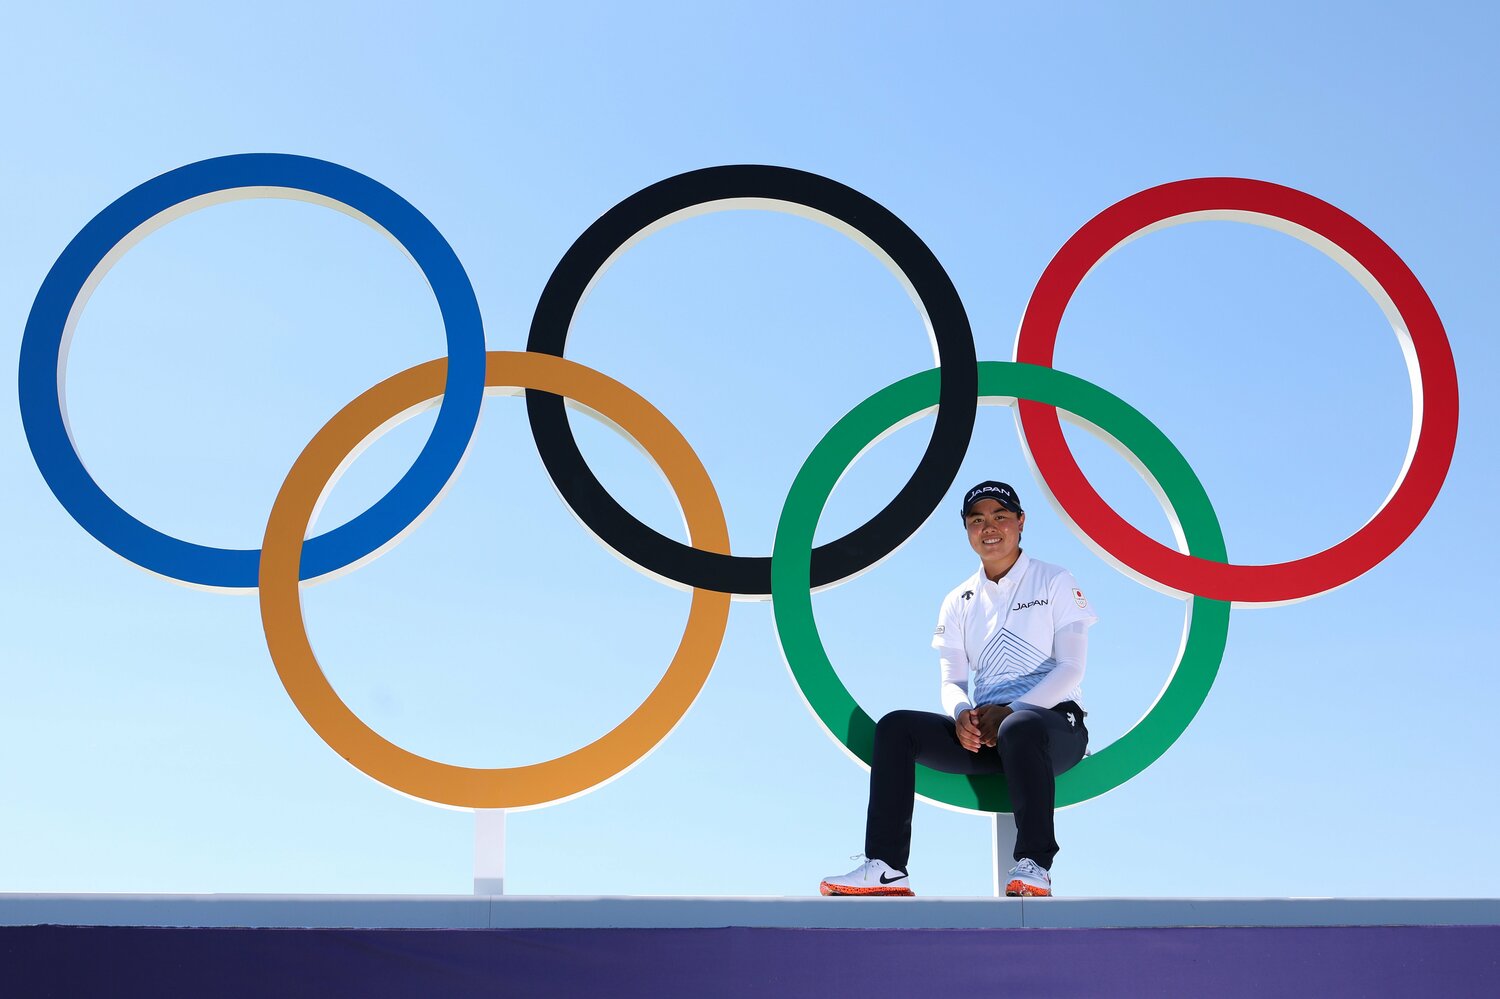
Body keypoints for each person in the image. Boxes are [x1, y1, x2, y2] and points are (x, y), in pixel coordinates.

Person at [819, 480, 1096, 898]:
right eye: (977, 519)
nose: (989, 527)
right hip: (987, 733)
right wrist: (962, 714)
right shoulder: (957, 600)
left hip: (1053, 728)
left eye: (1001, 516)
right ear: (967, 530)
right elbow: (952, 680)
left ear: (1021, 522)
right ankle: (887, 868)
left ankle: (1035, 865)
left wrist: (1013, 708)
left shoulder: (1054, 579)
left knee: (1018, 726)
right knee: (896, 727)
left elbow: (1072, 668)